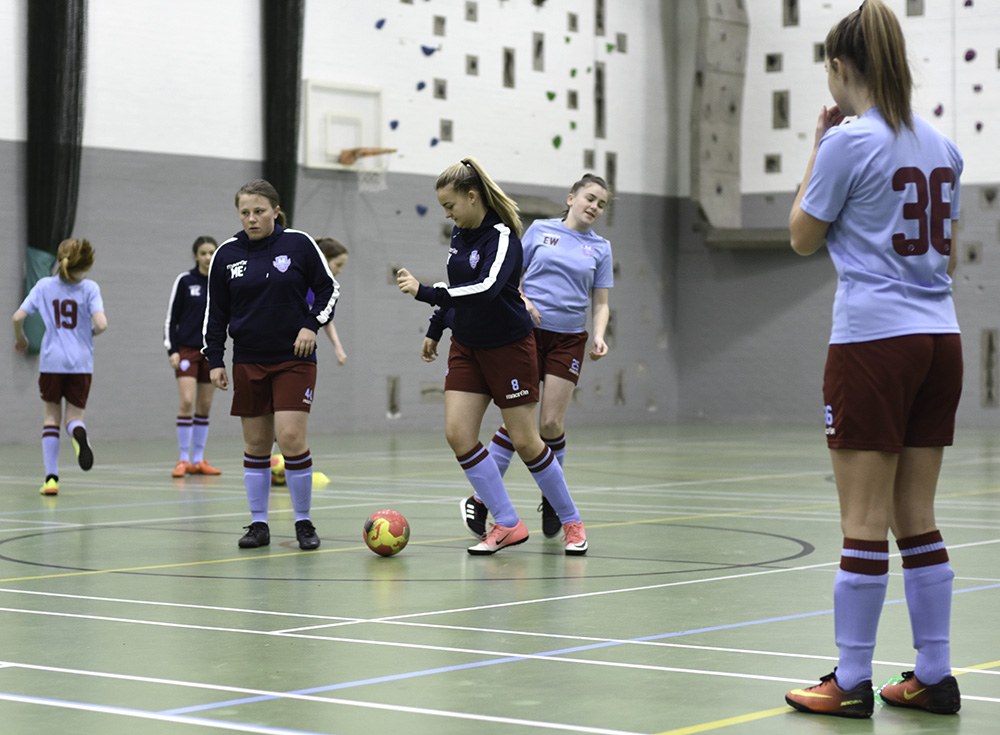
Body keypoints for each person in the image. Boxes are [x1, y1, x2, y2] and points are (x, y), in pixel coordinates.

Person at [783, 0, 963, 718]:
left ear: (838, 67)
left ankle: (852, 679)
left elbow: (801, 236)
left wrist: (816, 146)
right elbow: (947, 254)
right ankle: (934, 674)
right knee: (915, 514)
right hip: (940, 339)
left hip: (873, 342)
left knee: (862, 518)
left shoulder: (847, 142)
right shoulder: (943, 145)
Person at [397, 156, 588, 556]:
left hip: (508, 348)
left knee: (526, 441)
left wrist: (425, 292)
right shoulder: (459, 234)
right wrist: (437, 326)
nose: (447, 214)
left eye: (450, 205)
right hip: (467, 347)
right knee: (458, 435)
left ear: (472, 197)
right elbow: (460, 286)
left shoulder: (503, 238)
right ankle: (507, 523)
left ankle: (571, 521)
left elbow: (485, 289)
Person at [451, 174, 613, 540]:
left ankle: (551, 499)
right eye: (590, 198)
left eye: (602, 204)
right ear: (571, 198)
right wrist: (522, 300)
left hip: (568, 340)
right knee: (519, 424)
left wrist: (599, 335)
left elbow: (601, 302)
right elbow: (510, 274)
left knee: (550, 423)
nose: (594, 207)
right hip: (525, 333)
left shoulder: (601, 248)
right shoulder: (540, 230)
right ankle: (481, 499)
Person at [203, 179, 338, 551]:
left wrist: (311, 324)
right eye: (245, 212)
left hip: (294, 360)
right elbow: (216, 313)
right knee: (257, 444)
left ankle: (303, 522)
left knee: (291, 438)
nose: (252, 218)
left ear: (275, 212)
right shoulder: (226, 255)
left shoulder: (299, 244)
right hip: (248, 360)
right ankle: (259, 524)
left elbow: (328, 289)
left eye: (259, 211)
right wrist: (215, 359)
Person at [12, 238, 107, 496]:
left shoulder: (44, 285)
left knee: (51, 418)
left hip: (51, 361)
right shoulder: (90, 288)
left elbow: (18, 317)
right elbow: (102, 324)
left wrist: (21, 339)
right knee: (73, 419)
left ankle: (51, 479)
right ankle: (79, 434)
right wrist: (88, 334)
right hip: (81, 363)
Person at [164, 236, 222, 477]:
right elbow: (171, 318)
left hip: (211, 351)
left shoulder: (221, 282)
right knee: (187, 401)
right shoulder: (185, 281)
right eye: (203, 253)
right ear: (196, 256)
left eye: (212, 252)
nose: (208, 257)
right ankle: (183, 460)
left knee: (204, 405)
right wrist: (172, 350)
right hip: (186, 350)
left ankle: (198, 460)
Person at [314, 238, 349, 365]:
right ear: (324, 258)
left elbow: (326, 319)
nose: (339, 271)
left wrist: (338, 347)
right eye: (338, 265)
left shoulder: (326, 288)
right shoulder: (300, 279)